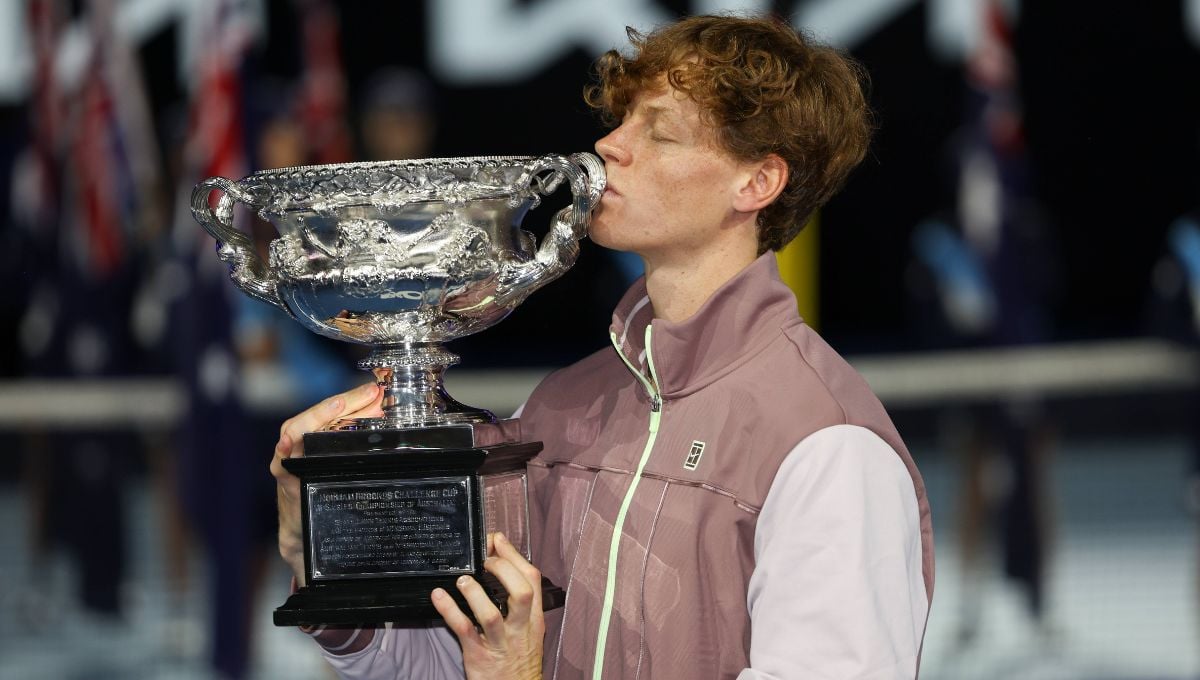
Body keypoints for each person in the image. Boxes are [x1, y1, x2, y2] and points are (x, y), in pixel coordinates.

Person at [271, 14, 934, 679]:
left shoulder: (827, 445)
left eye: (661, 132)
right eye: (622, 122)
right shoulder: (563, 406)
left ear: (756, 183)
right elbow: (457, 661)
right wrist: (323, 555)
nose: (609, 146)